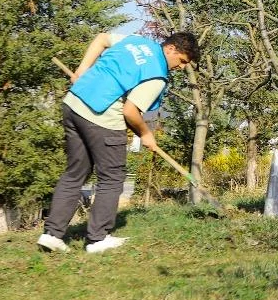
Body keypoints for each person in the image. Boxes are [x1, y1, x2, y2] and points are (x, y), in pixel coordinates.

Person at [38, 31, 198, 254]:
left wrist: (82, 70)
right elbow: (130, 112)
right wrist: (145, 134)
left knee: (76, 172)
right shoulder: (157, 74)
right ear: (171, 49)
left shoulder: (136, 42)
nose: (181, 67)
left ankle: (51, 235)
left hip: (74, 104)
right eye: (182, 61)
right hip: (101, 116)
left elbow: (102, 38)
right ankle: (97, 239)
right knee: (112, 177)